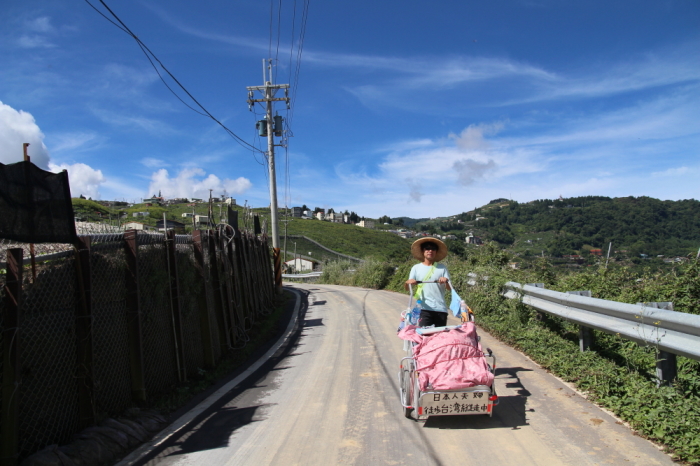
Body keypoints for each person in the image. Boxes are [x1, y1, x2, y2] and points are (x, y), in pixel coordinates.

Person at [405, 237, 451, 327]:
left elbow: (449, 288)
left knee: (439, 338)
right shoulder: (416, 268)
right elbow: (407, 288)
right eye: (427, 248)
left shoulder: (442, 268)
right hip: (423, 308)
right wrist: (408, 283)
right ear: (423, 251)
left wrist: (445, 281)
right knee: (424, 336)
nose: (430, 251)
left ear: (436, 252)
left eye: (433, 249)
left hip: (440, 309)